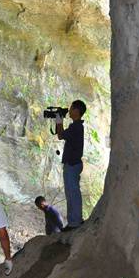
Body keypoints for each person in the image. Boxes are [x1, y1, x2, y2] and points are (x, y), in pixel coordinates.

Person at [55, 99, 86, 231]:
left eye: (72, 108)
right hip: (74, 164)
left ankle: (75, 222)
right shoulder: (77, 126)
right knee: (72, 193)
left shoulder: (76, 127)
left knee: (72, 193)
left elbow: (60, 135)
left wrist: (59, 119)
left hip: (72, 164)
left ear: (77, 111)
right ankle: (74, 221)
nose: (70, 110)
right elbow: (61, 135)